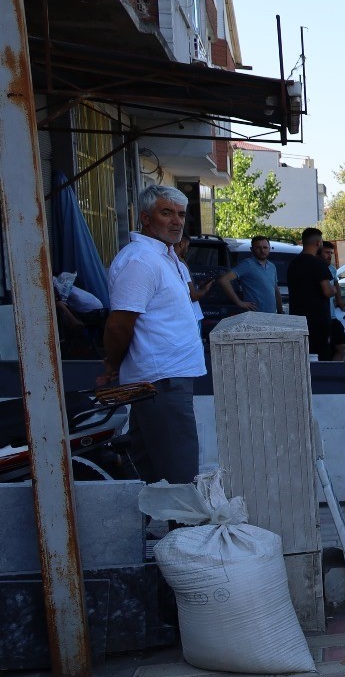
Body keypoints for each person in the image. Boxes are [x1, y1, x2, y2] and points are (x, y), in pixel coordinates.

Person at [97, 185, 206, 484]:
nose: (177, 222)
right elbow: (119, 324)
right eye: (166, 213)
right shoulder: (140, 260)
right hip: (162, 381)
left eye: (181, 214)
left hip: (167, 379)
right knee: (180, 474)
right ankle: (184, 531)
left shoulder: (164, 256)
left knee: (147, 468)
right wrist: (113, 364)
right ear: (145, 218)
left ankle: (145, 529)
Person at [287, 227, 339, 360]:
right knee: (321, 359)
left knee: (302, 359)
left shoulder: (293, 264)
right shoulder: (318, 264)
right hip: (318, 322)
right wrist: (334, 289)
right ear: (318, 243)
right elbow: (327, 291)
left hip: (297, 321)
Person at [218, 235, 280, 314]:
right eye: (258, 248)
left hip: (271, 316)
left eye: (265, 247)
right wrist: (239, 302)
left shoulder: (272, 266)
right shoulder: (247, 264)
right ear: (251, 249)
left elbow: (276, 290)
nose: (262, 250)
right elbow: (223, 280)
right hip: (254, 316)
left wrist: (280, 311)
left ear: (269, 248)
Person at [320, 243, 345, 362]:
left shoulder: (331, 269)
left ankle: (334, 371)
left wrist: (339, 299)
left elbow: (336, 282)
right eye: (326, 252)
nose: (329, 256)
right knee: (324, 350)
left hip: (332, 316)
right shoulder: (316, 268)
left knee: (341, 347)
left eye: (331, 253)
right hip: (321, 317)